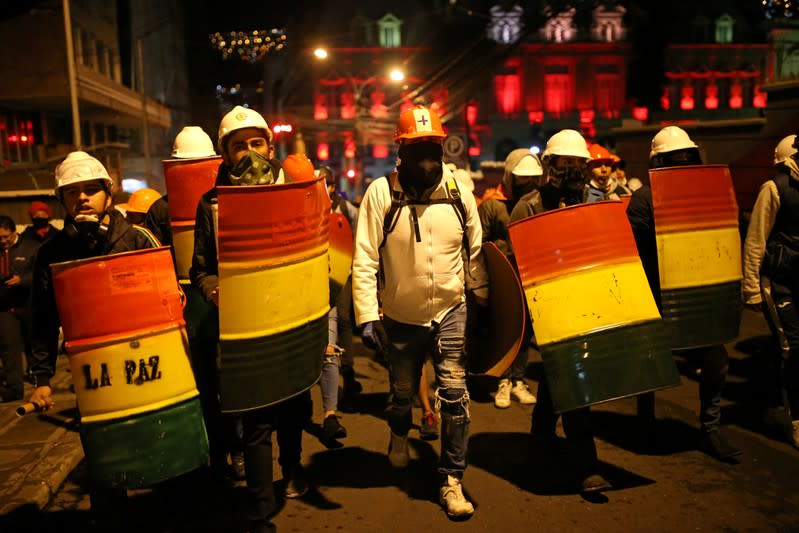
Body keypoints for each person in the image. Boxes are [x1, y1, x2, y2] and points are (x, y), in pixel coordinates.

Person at [352, 104, 489, 518]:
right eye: (417, 148)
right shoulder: (382, 193)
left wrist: (484, 306)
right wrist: (367, 315)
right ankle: (398, 432)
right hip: (400, 316)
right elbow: (364, 259)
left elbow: (476, 254)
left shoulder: (458, 193)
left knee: (455, 396)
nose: (427, 158)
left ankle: (451, 479)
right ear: (400, 152)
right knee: (400, 395)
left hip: (450, 309)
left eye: (433, 146)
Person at [25, 151, 160, 526]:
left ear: (108, 194)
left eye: (90, 190)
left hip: (145, 364)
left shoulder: (136, 239)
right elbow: (43, 318)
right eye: (72, 192)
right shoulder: (52, 253)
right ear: (63, 201)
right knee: (103, 450)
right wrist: (42, 379)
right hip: (92, 372)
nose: (82, 198)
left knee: (152, 443)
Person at [190, 106, 307, 533]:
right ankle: (260, 509)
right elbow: (199, 268)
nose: (249, 152)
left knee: (294, 408)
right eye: (239, 145)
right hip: (246, 327)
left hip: (294, 319)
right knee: (257, 419)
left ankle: (292, 470)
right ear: (225, 154)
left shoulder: (297, 189)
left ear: (270, 146)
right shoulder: (212, 204)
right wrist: (213, 289)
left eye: (256, 142)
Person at [627, 125, 741, 461]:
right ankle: (645, 422)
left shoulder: (708, 193)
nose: (681, 165)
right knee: (651, 363)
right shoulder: (644, 198)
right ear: (658, 163)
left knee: (716, 361)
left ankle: (710, 429)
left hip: (700, 293)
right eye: (672, 160)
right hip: (658, 293)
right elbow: (637, 248)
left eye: (686, 158)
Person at [511, 129, 611, 494]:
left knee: (560, 378)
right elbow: (516, 261)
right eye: (564, 162)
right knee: (574, 383)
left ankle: (539, 438)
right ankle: (587, 465)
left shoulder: (595, 201)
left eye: (577, 163)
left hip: (584, 304)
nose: (571, 169)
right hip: (547, 307)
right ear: (549, 165)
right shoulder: (529, 206)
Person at [742, 133, 799, 449]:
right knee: (794, 347)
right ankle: (794, 418)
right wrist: (751, 287)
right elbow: (755, 241)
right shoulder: (775, 189)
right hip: (779, 281)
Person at [478, 148, 540, 408]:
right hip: (502, 276)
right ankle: (502, 379)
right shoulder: (493, 203)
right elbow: (480, 243)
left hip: (529, 273)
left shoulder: (537, 200)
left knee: (525, 330)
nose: (528, 183)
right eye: (522, 178)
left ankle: (518, 379)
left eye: (531, 178)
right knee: (504, 329)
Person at [318, 165, 363, 407]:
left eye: (326, 184)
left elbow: (358, 236)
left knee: (343, 318)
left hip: (344, 272)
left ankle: (348, 372)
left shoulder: (347, 210)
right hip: (317, 275)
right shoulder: (311, 208)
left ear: (333, 187)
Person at [0, 215, 39, 402]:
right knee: (9, 347)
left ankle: (40, 378)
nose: (3, 241)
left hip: (28, 304)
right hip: (6, 307)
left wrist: (22, 280)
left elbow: (41, 273)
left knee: (34, 344)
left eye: (5, 237)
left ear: (14, 232)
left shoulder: (31, 247)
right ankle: (14, 388)